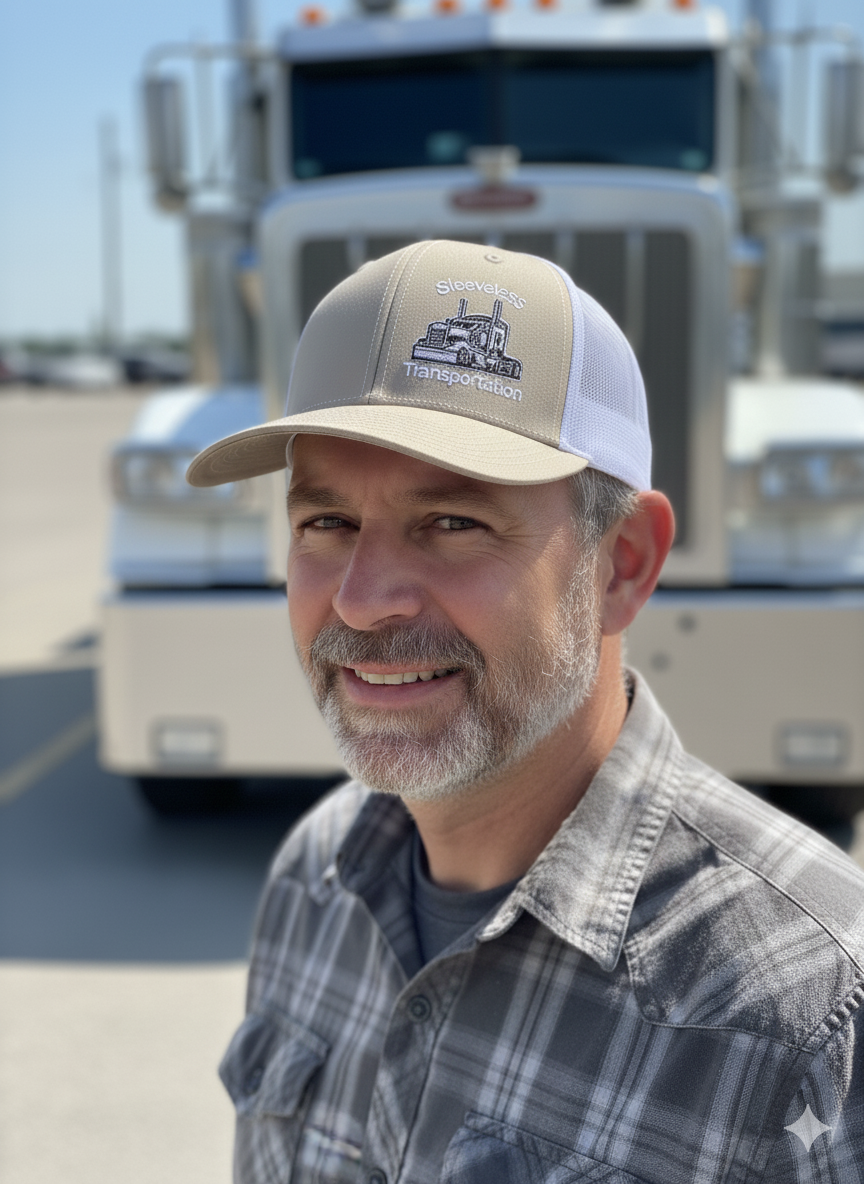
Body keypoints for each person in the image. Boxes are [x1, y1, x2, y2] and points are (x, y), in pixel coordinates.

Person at [188, 240, 864, 1183]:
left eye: (455, 524)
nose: (359, 599)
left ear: (622, 563)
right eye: (326, 523)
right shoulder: (312, 882)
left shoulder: (807, 1016)